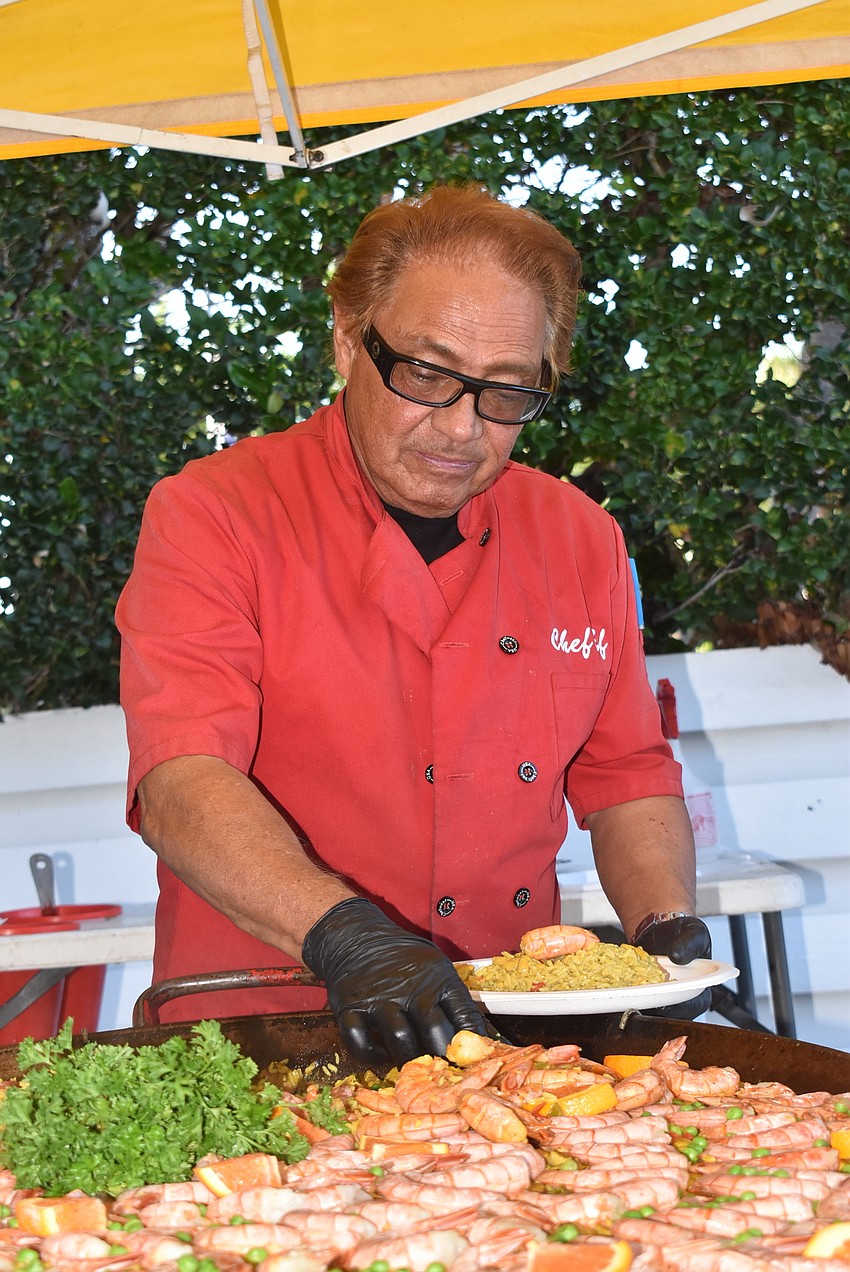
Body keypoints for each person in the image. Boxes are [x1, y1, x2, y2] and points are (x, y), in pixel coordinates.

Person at [116, 184, 711, 1067]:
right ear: (350, 340)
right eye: (428, 375)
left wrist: (663, 926)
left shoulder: (581, 537)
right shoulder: (214, 512)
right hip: (264, 1028)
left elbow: (624, 770)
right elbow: (180, 779)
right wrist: (350, 940)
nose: (462, 428)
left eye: (507, 391)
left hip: (503, 1037)